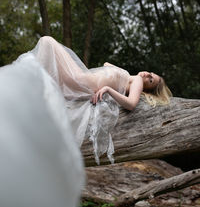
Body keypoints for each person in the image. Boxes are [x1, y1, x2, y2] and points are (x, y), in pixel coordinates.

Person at [16, 36, 172, 164]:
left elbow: (131, 104)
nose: (147, 76)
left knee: (47, 41)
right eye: (150, 73)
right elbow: (106, 65)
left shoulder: (136, 81)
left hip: (81, 81)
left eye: (151, 80)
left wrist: (108, 89)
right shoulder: (130, 77)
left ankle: (31, 87)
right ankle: (31, 88)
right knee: (47, 59)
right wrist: (114, 72)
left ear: (147, 88)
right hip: (81, 83)